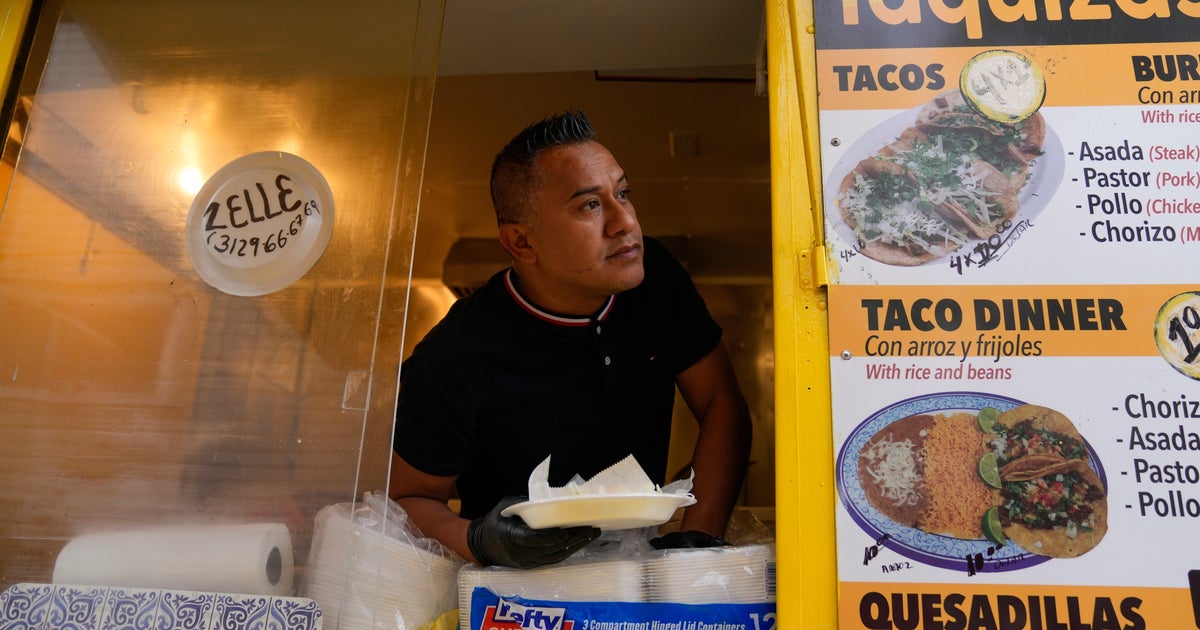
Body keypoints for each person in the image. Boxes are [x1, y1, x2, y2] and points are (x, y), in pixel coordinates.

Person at [389, 111, 752, 569]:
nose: (625, 223)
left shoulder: (654, 279)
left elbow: (722, 399)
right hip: (518, 590)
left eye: (622, 193)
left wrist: (696, 541)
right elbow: (406, 498)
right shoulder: (456, 353)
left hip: (638, 573)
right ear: (521, 243)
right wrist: (479, 540)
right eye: (589, 206)